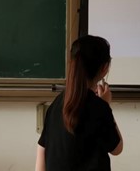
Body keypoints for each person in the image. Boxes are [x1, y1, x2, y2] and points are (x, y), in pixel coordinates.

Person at [35, 35, 123, 171]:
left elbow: (42, 150)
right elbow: (117, 149)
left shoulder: (57, 103)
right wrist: (105, 105)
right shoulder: (99, 107)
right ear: (104, 68)